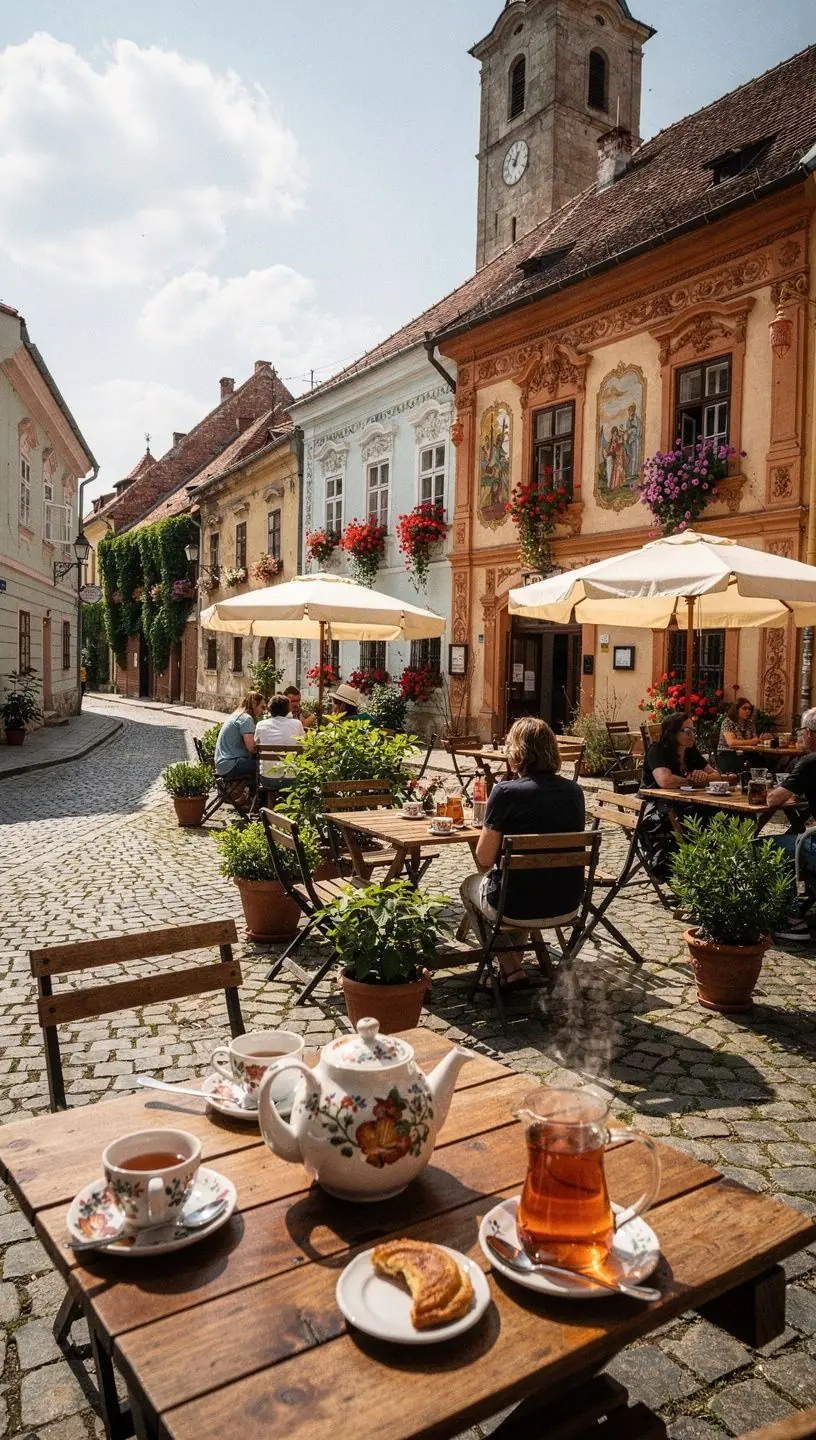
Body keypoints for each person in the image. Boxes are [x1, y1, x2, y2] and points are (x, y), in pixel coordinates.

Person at [460, 716, 585, 992]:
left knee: (470, 885)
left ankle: (511, 967)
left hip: (519, 904)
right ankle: (512, 965)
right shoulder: (574, 791)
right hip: (566, 902)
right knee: (521, 880)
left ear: (516, 752)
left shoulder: (505, 793)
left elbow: (483, 859)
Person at [765, 708, 816, 941]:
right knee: (794, 838)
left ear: (809, 733)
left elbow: (774, 799)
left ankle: (790, 918)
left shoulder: (810, 762)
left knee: (764, 847)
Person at [642, 713, 722, 790]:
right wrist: (691, 781)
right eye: (687, 731)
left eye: (693, 730)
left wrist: (703, 777)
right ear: (673, 732)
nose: (692, 735)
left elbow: (716, 776)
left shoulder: (690, 750)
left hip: (684, 799)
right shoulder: (657, 750)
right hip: (654, 800)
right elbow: (665, 781)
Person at [255, 693, 305, 797]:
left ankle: (269, 807)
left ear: (270, 709)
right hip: (291, 778)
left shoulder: (261, 725)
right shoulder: (297, 724)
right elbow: (304, 747)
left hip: (267, 778)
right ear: (288, 710)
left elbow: (256, 745)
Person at [214, 691, 265, 782]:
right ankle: (258, 795)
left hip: (223, 763)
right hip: (231, 764)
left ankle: (251, 794)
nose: (263, 711)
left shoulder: (237, 715)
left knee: (259, 764)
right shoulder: (246, 719)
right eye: (262, 707)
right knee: (265, 766)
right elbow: (252, 748)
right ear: (254, 704)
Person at [717, 697, 773, 770]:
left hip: (746, 753)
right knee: (748, 763)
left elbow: (755, 740)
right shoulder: (728, 722)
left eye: (749, 709)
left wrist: (761, 739)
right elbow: (731, 742)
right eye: (744, 708)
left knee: (762, 760)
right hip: (728, 754)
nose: (748, 711)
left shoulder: (750, 723)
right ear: (736, 709)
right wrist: (753, 741)